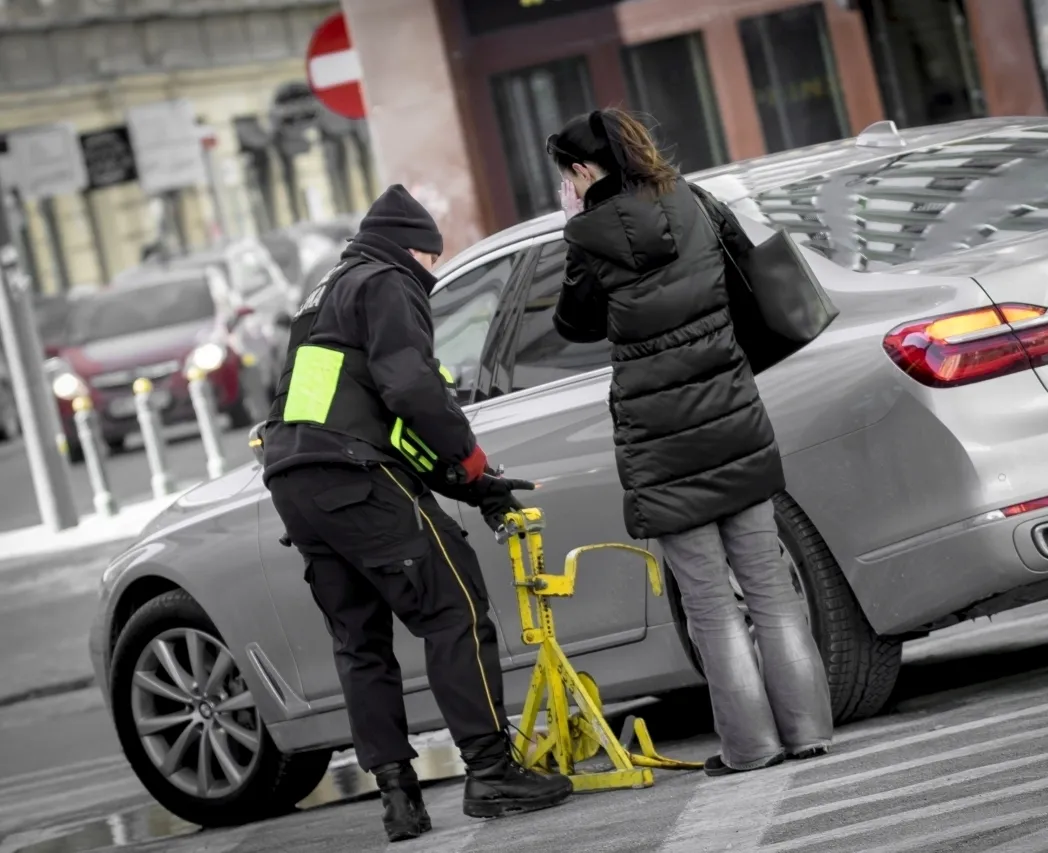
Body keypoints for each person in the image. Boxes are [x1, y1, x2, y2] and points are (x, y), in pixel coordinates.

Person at [260, 184, 573, 842]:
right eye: (432, 262)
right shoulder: (388, 282)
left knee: (361, 642)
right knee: (453, 607)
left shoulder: (323, 297)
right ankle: (492, 773)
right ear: (414, 251)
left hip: (296, 482)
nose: (432, 276)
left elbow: (372, 418)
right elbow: (410, 390)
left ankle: (399, 799)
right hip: (352, 475)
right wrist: (474, 456)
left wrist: (471, 483)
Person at [547, 109, 834, 776]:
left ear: (584, 170)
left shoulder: (588, 236)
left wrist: (574, 225)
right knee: (769, 588)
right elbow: (745, 286)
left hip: (663, 445)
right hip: (734, 418)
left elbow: (574, 323)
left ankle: (750, 747)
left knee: (709, 604)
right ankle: (810, 729)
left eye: (565, 174)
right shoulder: (698, 200)